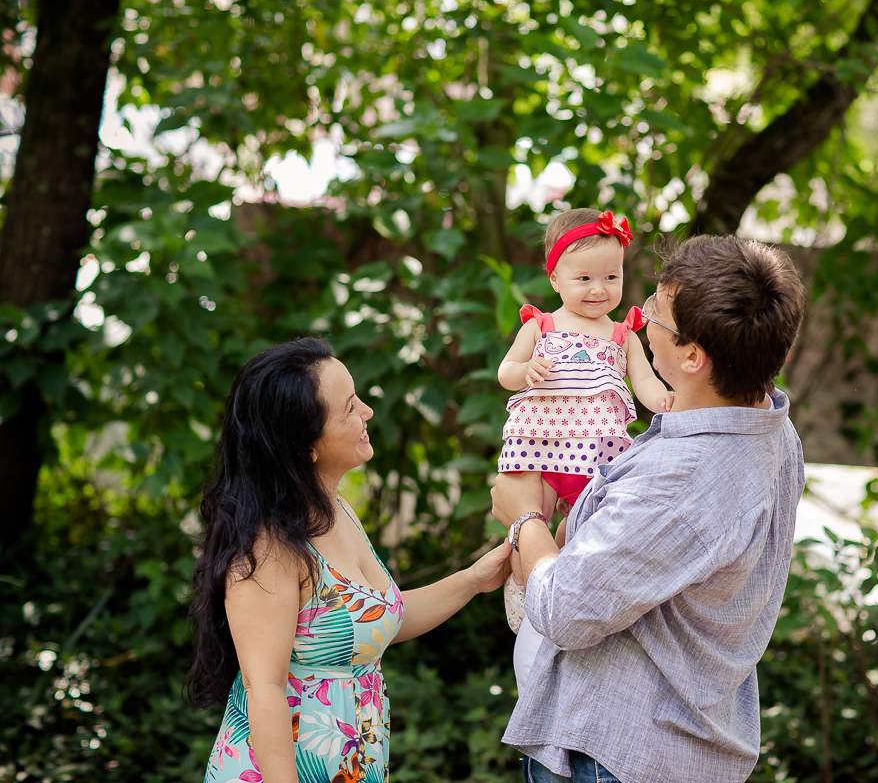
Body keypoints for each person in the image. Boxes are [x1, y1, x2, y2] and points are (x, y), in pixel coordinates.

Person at [491, 235, 806, 783]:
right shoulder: (772, 426)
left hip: (617, 753)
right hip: (685, 741)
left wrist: (525, 518)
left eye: (654, 313)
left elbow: (565, 609)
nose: (638, 321)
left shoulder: (680, 479)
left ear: (691, 354)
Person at [187, 338, 510, 783]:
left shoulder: (338, 511)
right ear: (305, 447)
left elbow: (381, 621)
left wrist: (473, 579)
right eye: (350, 407)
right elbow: (266, 690)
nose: (368, 413)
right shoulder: (268, 547)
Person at [496, 208, 672, 641]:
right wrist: (526, 371)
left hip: (597, 452)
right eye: (584, 279)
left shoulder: (623, 334)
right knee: (528, 519)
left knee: (581, 534)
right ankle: (523, 586)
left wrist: (663, 400)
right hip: (538, 444)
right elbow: (506, 372)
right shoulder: (542, 325)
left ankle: (564, 596)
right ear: (555, 278)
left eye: (611, 278)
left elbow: (644, 381)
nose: (599, 289)